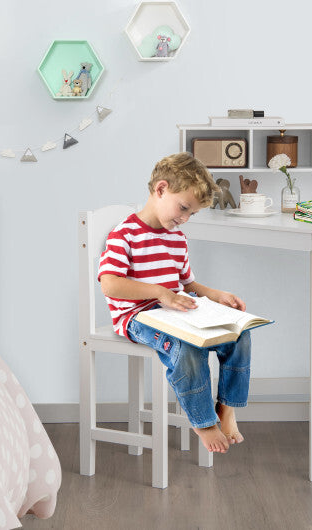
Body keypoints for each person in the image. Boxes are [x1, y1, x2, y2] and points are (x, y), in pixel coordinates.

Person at [98, 152, 251, 454]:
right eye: (183, 208)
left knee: (240, 333)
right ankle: (203, 421)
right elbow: (110, 283)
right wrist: (159, 293)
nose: (184, 218)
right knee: (187, 348)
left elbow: (188, 284)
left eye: (191, 214)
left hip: (176, 310)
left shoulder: (176, 238)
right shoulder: (124, 235)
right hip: (138, 317)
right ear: (160, 189)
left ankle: (227, 407)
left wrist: (217, 294)